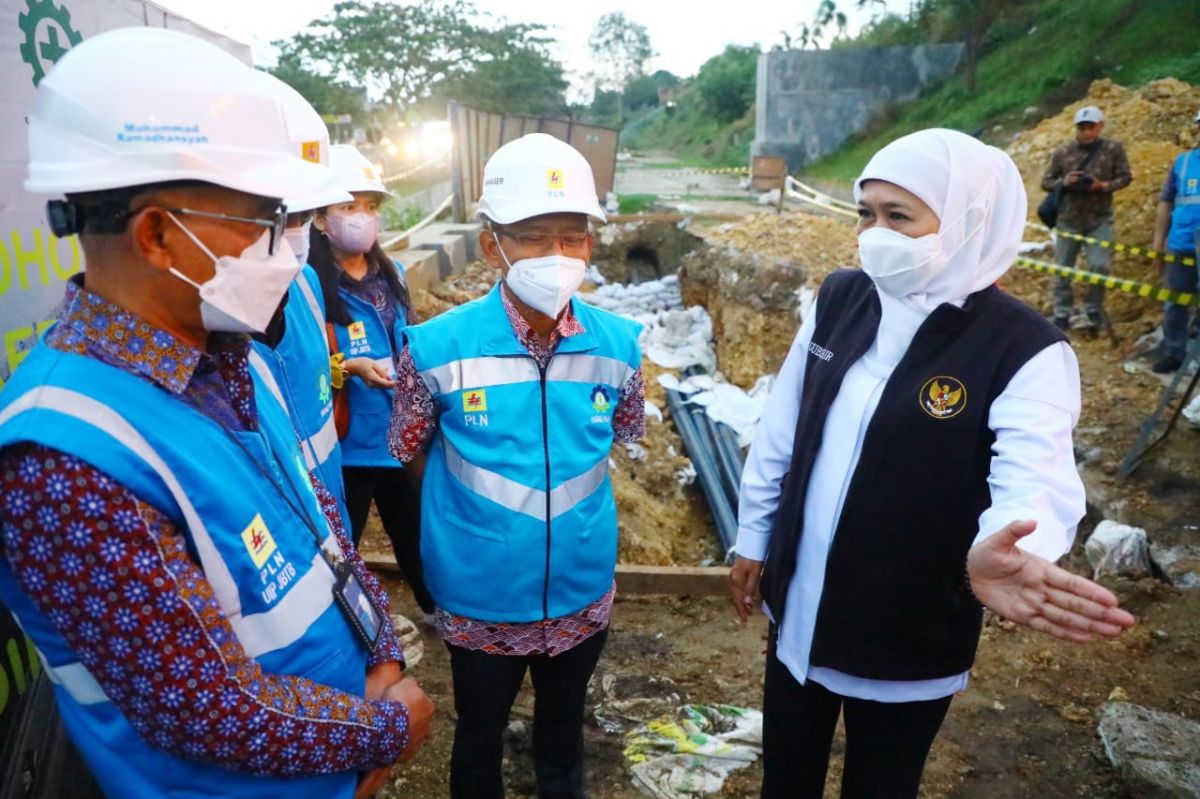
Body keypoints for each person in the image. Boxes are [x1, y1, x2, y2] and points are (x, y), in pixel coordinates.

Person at [0, 28, 432, 799]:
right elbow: (204, 707)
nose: (292, 250)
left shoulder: (233, 360)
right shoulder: (63, 457)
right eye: (268, 221)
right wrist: (390, 729)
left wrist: (382, 655)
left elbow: (325, 533)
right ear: (159, 233)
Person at [728, 128, 1135, 799]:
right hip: (798, 605)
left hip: (908, 624)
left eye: (899, 216)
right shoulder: (840, 298)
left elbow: (1031, 475)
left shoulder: (1024, 349)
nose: (875, 233)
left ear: (969, 220)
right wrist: (754, 537)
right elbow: (783, 429)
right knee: (786, 777)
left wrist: (1008, 544)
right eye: (866, 213)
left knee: (881, 786)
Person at [387, 132, 645, 798]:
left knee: (563, 732)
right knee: (479, 734)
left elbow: (620, 433)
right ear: (491, 245)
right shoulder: (436, 346)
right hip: (479, 593)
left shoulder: (620, 344)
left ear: (591, 241)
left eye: (573, 234)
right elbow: (407, 446)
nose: (556, 255)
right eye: (533, 236)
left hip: (581, 589)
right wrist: (468, 523)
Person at [309, 144, 434, 618]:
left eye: (371, 206)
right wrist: (349, 368)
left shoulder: (392, 272)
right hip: (347, 443)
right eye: (347, 206)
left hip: (398, 432)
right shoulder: (306, 281)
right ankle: (344, 632)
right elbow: (301, 368)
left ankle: (436, 613)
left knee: (417, 532)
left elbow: (411, 340)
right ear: (320, 217)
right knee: (344, 542)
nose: (362, 217)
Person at [247, 71, 355, 525]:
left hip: (332, 535)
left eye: (305, 214)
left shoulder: (308, 283)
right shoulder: (195, 337)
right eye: (276, 214)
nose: (294, 234)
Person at [1040, 105, 1132, 332]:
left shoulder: (1113, 149)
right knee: (1063, 269)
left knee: (1099, 266)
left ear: (1100, 126)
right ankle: (1062, 312)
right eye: (1082, 128)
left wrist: (1103, 186)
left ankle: (1093, 307)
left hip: (1099, 219)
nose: (1086, 132)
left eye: (1091, 127)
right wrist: (1065, 182)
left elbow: (1126, 176)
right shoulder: (1063, 151)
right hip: (1068, 219)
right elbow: (1046, 181)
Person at [1149, 106, 1200, 374]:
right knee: (1175, 302)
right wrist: (1159, 241)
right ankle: (1173, 352)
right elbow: (1165, 203)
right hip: (1181, 244)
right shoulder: (1183, 162)